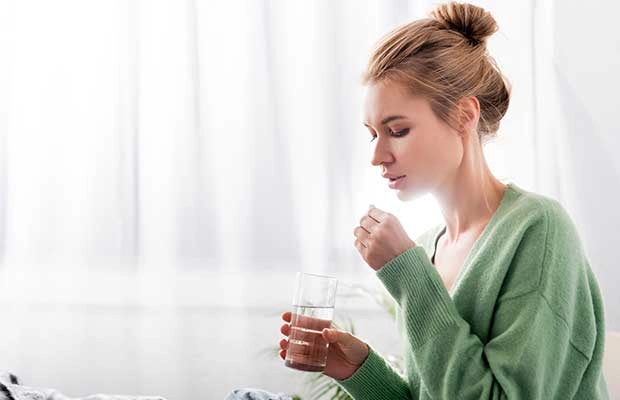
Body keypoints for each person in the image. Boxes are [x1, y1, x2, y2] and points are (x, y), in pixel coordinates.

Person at [277, 2, 610, 399]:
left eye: (397, 130)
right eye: (372, 134)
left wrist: (410, 278)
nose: (377, 155)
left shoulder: (537, 231)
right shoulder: (427, 246)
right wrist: (357, 370)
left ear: (464, 115)